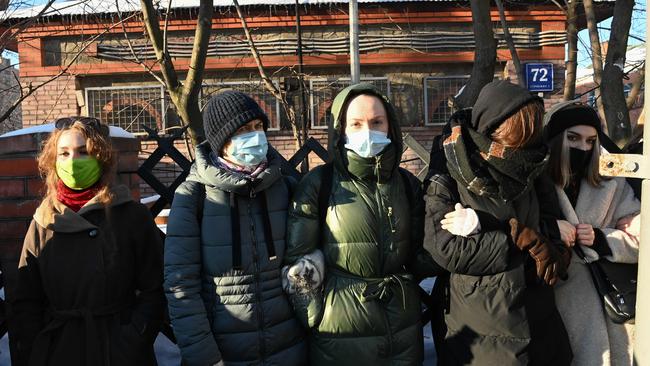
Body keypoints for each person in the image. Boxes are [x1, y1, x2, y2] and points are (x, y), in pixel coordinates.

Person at [284, 83, 441, 366]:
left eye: (376, 122)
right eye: (355, 124)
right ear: (340, 129)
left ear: (389, 126)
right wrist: (316, 317)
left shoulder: (407, 184)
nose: (367, 131)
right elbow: (298, 261)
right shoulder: (319, 184)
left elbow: (420, 255)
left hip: (402, 328)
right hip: (339, 332)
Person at [423, 80, 573, 365]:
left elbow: (557, 234)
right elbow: (446, 249)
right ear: (492, 127)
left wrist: (543, 243)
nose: (525, 148)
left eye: (531, 136)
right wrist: (518, 237)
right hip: (482, 328)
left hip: (540, 322)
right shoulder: (450, 165)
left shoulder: (533, 164)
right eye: (518, 136)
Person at [164, 91, 307, 366]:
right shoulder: (194, 197)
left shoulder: (286, 187)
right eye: (242, 130)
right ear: (220, 141)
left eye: (257, 127)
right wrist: (205, 358)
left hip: (289, 349)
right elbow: (181, 286)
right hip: (224, 354)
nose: (254, 136)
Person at [11, 117, 165, 366]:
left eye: (83, 152)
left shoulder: (131, 215)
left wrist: (131, 340)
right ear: (54, 161)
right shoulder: (43, 220)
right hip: (59, 349)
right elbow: (26, 299)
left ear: (101, 157)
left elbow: (155, 289)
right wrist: (38, 347)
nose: (73, 162)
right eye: (64, 153)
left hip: (118, 352)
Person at [544, 101, 640, 366]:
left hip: (610, 304)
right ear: (555, 139)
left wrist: (603, 240)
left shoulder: (612, 183)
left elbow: (642, 237)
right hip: (554, 302)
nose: (583, 148)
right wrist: (551, 230)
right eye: (573, 138)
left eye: (591, 141)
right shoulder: (536, 182)